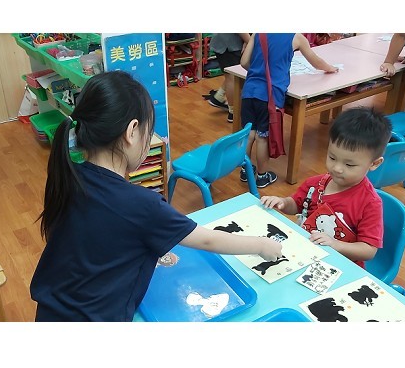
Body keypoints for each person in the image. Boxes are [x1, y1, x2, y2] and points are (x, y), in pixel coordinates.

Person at [29, 71, 282, 322]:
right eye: (149, 132)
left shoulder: (70, 175)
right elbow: (206, 240)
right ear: (132, 131)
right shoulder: (140, 204)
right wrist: (262, 245)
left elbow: (97, 236)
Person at [260, 107, 392, 269]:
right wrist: (282, 202)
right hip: (304, 255)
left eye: (349, 164)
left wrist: (335, 244)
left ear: (374, 163)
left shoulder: (370, 203)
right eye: (332, 157)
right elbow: (296, 204)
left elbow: (368, 250)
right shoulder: (315, 184)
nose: (337, 168)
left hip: (339, 267)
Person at [239, 33, 339, 188]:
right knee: (262, 137)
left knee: (249, 133)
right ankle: (262, 176)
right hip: (270, 94)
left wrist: (257, 72)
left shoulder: (259, 32)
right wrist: (330, 68)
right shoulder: (296, 38)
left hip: (249, 91)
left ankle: (245, 171)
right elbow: (315, 61)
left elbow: (244, 61)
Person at [206, 33, 250, 123]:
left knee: (232, 76)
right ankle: (233, 113)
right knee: (232, 77)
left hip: (227, 42)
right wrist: (251, 42)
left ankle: (219, 97)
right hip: (228, 45)